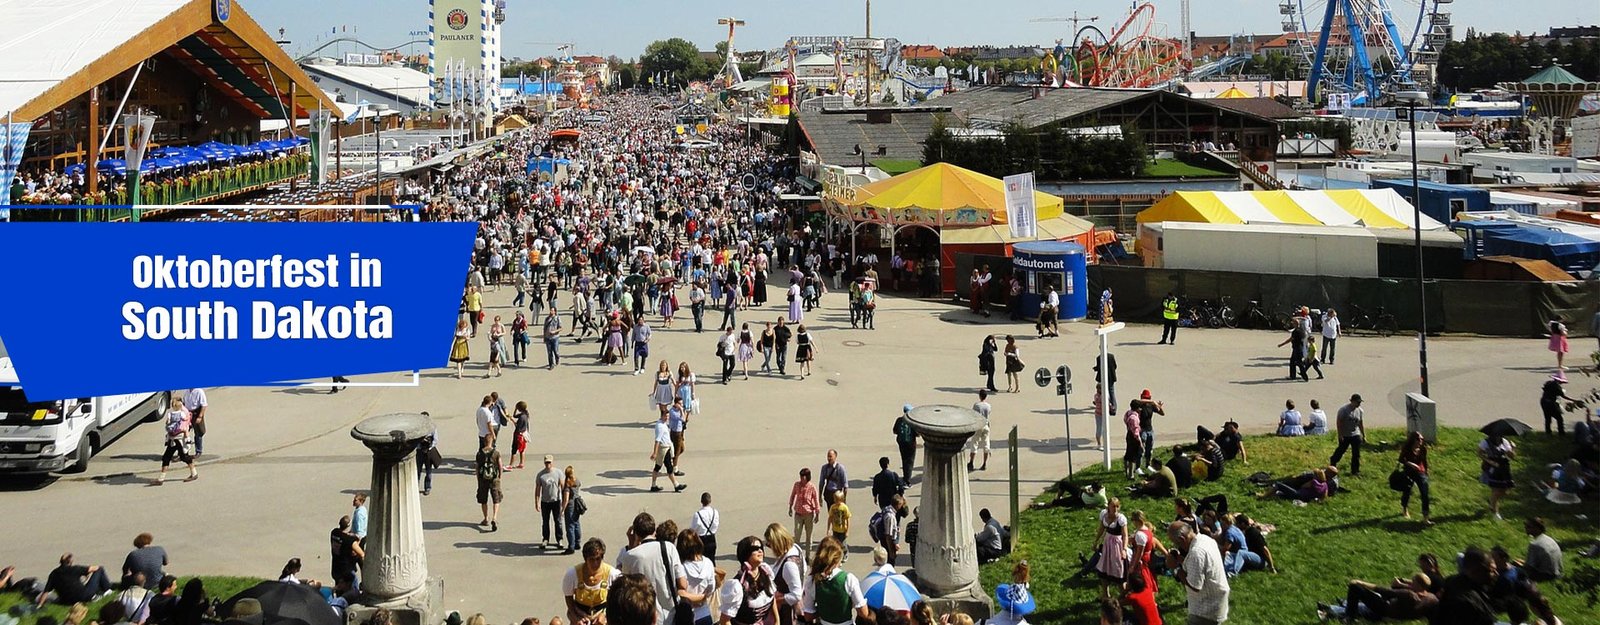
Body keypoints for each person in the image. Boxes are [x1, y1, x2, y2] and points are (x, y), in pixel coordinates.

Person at [618, 513, 690, 625]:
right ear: (654, 531)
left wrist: (632, 544)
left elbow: (626, 587)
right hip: (671, 615)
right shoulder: (668, 547)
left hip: (644, 616)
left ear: (635, 533)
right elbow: (682, 583)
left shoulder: (629, 556)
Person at [1165, 522, 1229, 625]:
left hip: (1205, 610)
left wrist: (1175, 568)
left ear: (1182, 539)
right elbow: (1201, 567)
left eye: (1176, 542)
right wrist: (1182, 561)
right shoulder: (1205, 539)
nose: (1176, 546)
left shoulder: (1196, 553)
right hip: (1217, 599)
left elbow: (1195, 585)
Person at [802, 538, 870, 625]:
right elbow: (863, 612)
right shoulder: (849, 579)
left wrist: (824, 608)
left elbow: (808, 615)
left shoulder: (812, 580)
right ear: (837, 559)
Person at [719, 536, 777, 625]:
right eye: (755, 549)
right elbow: (724, 620)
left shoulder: (766, 573)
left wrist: (777, 621)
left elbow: (772, 599)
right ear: (745, 553)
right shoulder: (737, 585)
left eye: (761, 548)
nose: (760, 551)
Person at [564, 538, 620, 625]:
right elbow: (568, 598)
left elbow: (618, 599)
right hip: (580, 616)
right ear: (585, 559)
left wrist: (605, 615)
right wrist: (575, 618)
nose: (595, 563)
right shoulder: (572, 574)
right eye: (591, 560)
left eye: (598, 559)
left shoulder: (612, 574)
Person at [766, 524, 806, 625]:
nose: (769, 547)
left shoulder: (789, 564)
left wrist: (778, 598)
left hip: (788, 612)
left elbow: (796, 595)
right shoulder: (796, 548)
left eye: (769, 544)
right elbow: (804, 569)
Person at [39, 553, 113, 606]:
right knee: (100, 569)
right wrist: (87, 574)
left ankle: (100, 591)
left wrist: (40, 604)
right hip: (84, 596)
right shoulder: (74, 569)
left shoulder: (53, 573)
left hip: (66, 601)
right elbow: (95, 568)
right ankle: (107, 590)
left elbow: (46, 591)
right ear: (70, 562)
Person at [677, 531, 717, 625]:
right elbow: (711, 588)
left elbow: (680, 593)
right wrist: (702, 597)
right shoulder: (708, 563)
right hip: (704, 612)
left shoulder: (681, 566)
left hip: (686, 615)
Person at [155, 396, 197, 485]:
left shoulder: (178, 413)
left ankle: (194, 473)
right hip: (175, 438)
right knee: (167, 456)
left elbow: (179, 426)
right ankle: (161, 479)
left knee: (183, 457)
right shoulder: (182, 413)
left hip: (177, 438)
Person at [1094, 497, 1129, 596]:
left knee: (1118, 571)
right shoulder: (1104, 514)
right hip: (1107, 544)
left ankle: (1123, 597)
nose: (1116, 509)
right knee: (1103, 570)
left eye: (1117, 506)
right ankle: (1105, 595)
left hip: (1117, 545)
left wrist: (1124, 549)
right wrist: (1096, 541)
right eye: (1113, 506)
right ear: (1108, 506)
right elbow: (1101, 529)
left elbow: (1125, 535)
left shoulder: (1121, 519)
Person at [1478, 432, 1515, 520]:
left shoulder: (1504, 442)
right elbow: (1480, 453)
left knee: (1505, 490)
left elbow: (1512, 456)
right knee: (1496, 490)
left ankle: (1492, 501)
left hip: (1503, 468)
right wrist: (1490, 461)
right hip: (1492, 469)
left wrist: (1513, 448)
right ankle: (1495, 512)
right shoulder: (1485, 442)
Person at [1398, 431, 1432, 525]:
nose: (1420, 441)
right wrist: (1410, 463)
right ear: (1413, 440)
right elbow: (1401, 459)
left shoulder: (1423, 449)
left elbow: (1424, 461)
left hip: (1420, 472)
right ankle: (1405, 508)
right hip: (1409, 471)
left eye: (1421, 439)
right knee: (1407, 491)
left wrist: (1426, 471)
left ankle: (1425, 517)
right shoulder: (1407, 448)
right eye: (1418, 439)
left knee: (1425, 493)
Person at [1329, 394, 1365, 477]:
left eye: (1359, 402)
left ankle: (1355, 471)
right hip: (1345, 434)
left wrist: (1363, 434)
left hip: (1355, 434)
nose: (1358, 404)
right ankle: (1333, 462)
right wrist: (1340, 434)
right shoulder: (1344, 410)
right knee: (1341, 450)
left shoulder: (1360, 411)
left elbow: (1360, 423)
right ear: (1351, 401)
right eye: (1357, 402)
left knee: (1356, 453)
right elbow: (1339, 422)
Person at [651, 410, 686, 493]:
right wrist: (655, 453)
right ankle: (676, 485)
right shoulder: (660, 426)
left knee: (659, 467)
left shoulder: (663, 424)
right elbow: (657, 440)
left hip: (667, 447)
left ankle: (654, 485)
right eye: (666, 416)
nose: (667, 418)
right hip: (663, 449)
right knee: (666, 467)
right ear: (661, 416)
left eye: (668, 416)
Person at [789, 468, 822, 553]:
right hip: (798, 514)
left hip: (808, 514)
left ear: (807, 477)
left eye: (803, 478)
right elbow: (793, 495)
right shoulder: (797, 485)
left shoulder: (812, 487)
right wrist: (790, 507)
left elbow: (816, 500)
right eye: (800, 477)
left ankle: (807, 555)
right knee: (797, 535)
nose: (801, 479)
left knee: (808, 535)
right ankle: (796, 554)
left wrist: (817, 513)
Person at [476, 432, 503, 532]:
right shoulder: (496, 453)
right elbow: (500, 466)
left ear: (484, 442)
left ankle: (486, 518)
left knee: (483, 500)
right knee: (496, 499)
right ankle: (494, 517)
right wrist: (500, 476)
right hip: (494, 479)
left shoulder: (479, 453)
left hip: (483, 480)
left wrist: (478, 479)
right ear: (492, 441)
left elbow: (477, 468)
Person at [537, 454, 565, 546]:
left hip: (556, 501)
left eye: (549, 462)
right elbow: (537, 489)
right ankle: (545, 539)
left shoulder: (558, 472)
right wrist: (537, 502)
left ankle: (559, 539)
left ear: (552, 462)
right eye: (546, 462)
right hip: (545, 501)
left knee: (558, 521)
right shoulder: (541, 475)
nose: (547, 464)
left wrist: (564, 501)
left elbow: (562, 486)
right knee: (545, 521)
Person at [1523, 517, 1562, 582]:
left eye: (1529, 527)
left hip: (1545, 575)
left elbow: (1530, 567)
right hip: (1557, 572)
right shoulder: (1549, 539)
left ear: (1537, 528)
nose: (1526, 529)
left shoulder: (1534, 544)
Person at [328, 515, 363, 585]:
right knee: (352, 590)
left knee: (339, 588)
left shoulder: (334, 532)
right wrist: (358, 540)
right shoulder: (349, 540)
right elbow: (361, 554)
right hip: (347, 570)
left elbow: (342, 535)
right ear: (348, 526)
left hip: (336, 568)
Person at [692, 492, 721, 561]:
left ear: (701, 501)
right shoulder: (715, 512)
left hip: (701, 539)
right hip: (712, 538)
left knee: (701, 560)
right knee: (712, 560)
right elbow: (716, 524)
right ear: (710, 501)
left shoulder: (697, 514)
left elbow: (693, 529)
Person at [893, 404, 919, 483]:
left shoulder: (899, 420)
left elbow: (895, 431)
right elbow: (917, 433)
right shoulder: (912, 421)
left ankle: (905, 476)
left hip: (901, 442)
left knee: (904, 459)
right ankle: (907, 480)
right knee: (910, 460)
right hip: (911, 444)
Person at [562, 465, 584, 555]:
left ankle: (571, 546)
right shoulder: (577, 481)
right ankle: (577, 543)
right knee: (576, 523)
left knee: (570, 526)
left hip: (570, 505)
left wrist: (562, 509)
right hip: (577, 504)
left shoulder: (567, 484)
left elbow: (566, 499)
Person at [969, 391, 992, 471]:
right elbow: (988, 414)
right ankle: (984, 463)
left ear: (980, 396)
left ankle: (971, 462)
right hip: (986, 425)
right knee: (986, 444)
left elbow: (973, 415)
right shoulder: (988, 406)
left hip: (978, 425)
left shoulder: (976, 405)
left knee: (974, 443)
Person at [828, 490, 851, 559]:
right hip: (835, 529)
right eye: (835, 499)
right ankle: (837, 556)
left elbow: (848, 519)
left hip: (843, 529)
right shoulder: (833, 507)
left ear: (842, 499)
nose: (836, 502)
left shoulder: (844, 507)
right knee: (835, 544)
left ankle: (845, 552)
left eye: (838, 500)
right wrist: (828, 529)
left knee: (842, 544)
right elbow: (830, 518)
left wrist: (847, 531)